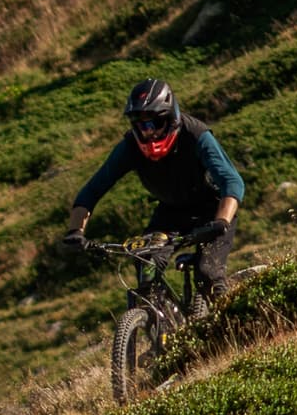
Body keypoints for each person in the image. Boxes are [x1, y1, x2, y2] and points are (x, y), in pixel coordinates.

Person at [67, 80, 244, 289]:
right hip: (171, 213)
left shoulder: (196, 135)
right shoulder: (130, 147)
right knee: (146, 265)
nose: (149, 132)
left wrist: (221, 221)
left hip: (213, 212)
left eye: (155, 124)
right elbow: (93, 189)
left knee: (208, 272)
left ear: (171, 118)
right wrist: (75, 231)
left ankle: (229, 318)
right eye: (141, 126)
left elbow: (232, 181)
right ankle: (156, 316)